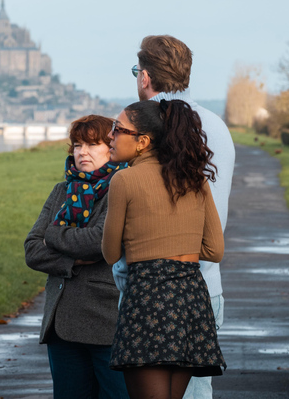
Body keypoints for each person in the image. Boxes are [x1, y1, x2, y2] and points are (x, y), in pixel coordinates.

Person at [112, 35, 235, 399]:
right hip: (204, 288)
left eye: (137, 72)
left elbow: (132, 226)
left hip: (148, 290)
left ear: (145, 77)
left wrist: (126, 285)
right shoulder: (217, 127)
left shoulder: (145, 130)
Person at [24, 115, 130, 399]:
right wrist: (70, 261)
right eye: (77, 144)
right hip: (62, 325)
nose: (82, 152)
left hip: (107, 322)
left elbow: (98, 241)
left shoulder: (121, 188)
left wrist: (54, 235)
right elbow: (32, 249)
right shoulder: (61, 191)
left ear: (110, 147)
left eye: (93, 144)